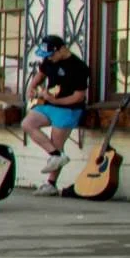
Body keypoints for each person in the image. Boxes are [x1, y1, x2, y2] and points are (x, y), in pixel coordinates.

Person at [22, 35, 91, 194]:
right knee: (28, 123)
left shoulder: (79, 67)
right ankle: (55, 155)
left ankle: (51, 184)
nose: (49, 59)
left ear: (62, 49)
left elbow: (79, 96)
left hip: (69, 108)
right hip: (48, 104)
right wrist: (31, 88)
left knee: (57, 140)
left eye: (52, 55)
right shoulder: (49, 60)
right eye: (47, 56)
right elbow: (40, 75)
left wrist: (56, 101)